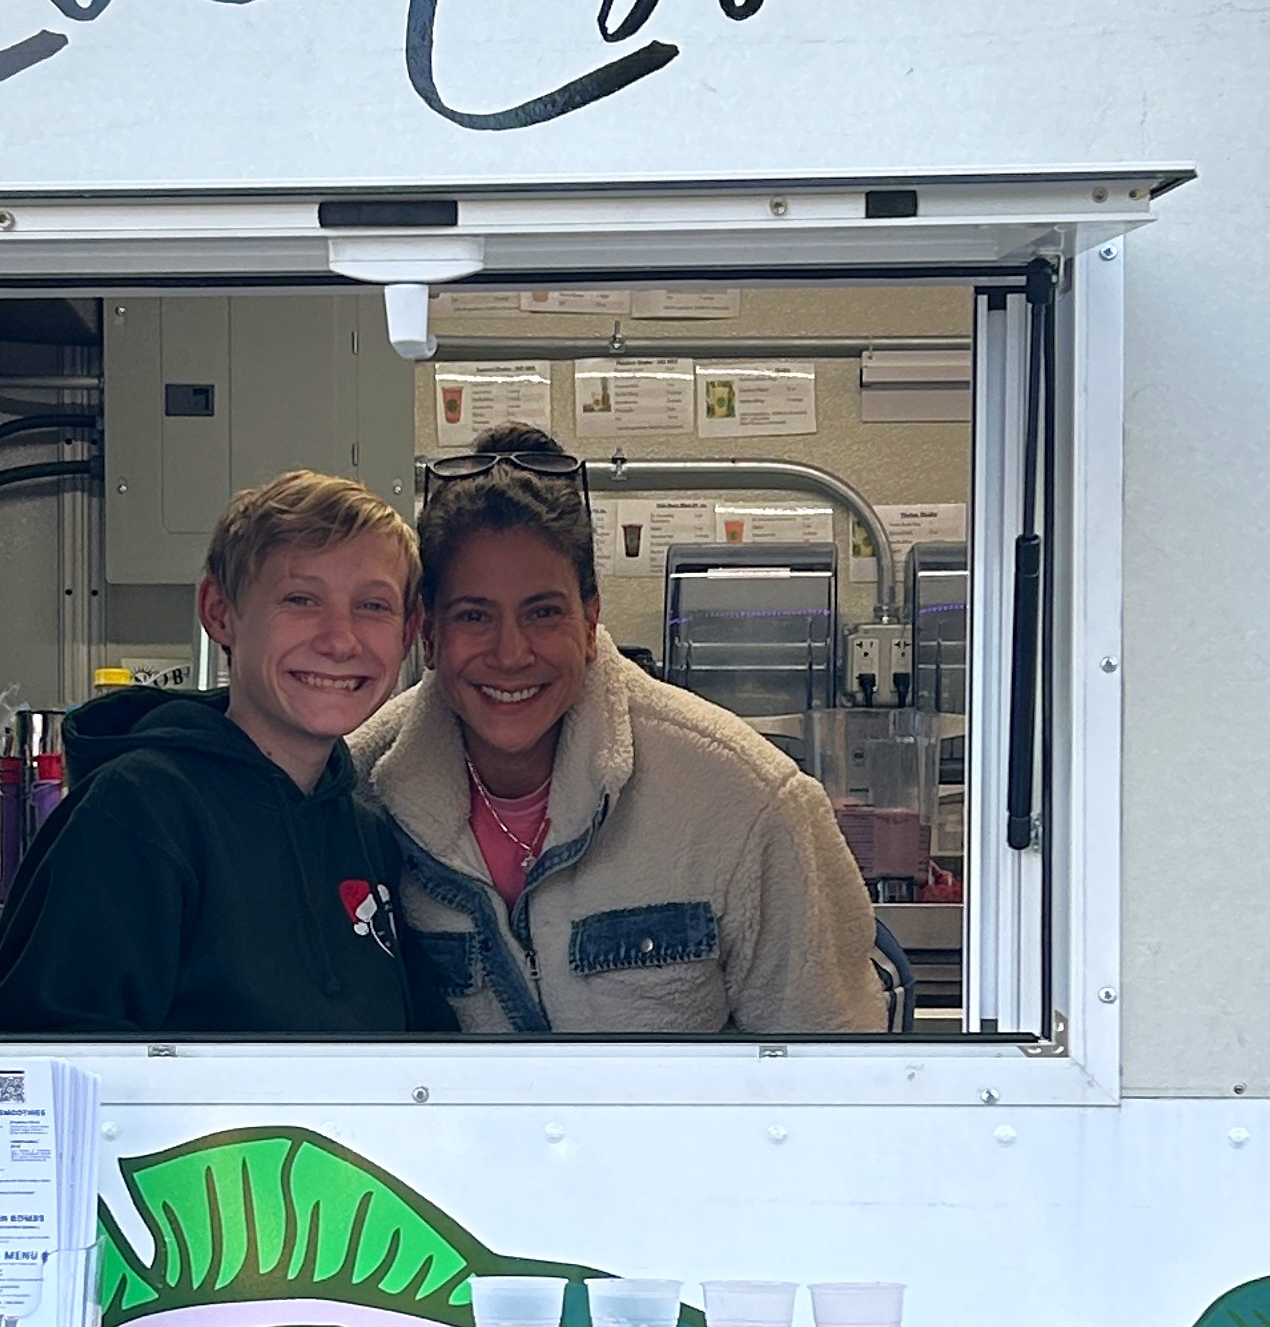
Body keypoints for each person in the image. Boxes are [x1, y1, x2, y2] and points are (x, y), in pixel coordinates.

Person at [356, 423, 884, 1036]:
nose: (510, 653)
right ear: (428, 632)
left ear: (590, 621)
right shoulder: (359, 792)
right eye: (474, 615)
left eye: (543, 612)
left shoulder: (746, 800)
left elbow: (839, 1073)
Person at [0, 470, 450, 1037]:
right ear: (219, 612)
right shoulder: (133, 816)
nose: (340, 639)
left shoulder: (369, 835)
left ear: (409, 631)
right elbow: (39, 1070)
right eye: (301, 599)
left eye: (373, 606)